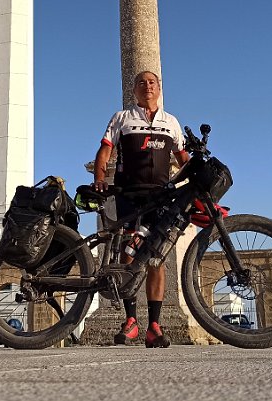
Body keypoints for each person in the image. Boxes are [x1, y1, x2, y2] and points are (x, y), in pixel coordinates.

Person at [93, 70, 189, 348]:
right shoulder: (121, 117)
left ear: (160, 88)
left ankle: (155, 325)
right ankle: (131, 320)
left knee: (157, 259)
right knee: (129, 253)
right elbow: (105, 150)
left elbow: (183, 157)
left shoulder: (171, 122)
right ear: (133, 90)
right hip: (128, 195)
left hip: (161, 197)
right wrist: (99, 177)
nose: (147, 86)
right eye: (141, 83)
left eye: (152, 82)